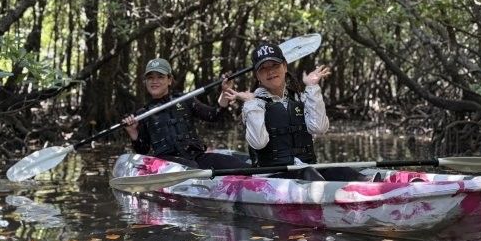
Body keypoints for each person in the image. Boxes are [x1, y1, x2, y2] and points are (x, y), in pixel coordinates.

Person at [222, 41, 376, 182]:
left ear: (285, 67)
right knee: (308, 174)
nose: (270, 72)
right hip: (271, 176)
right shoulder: (254, 104)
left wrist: (312, 87)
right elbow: (258, 143)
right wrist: (250, 103)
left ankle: (372, 187)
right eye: (263, 68)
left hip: (307, 167)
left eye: (275, 66)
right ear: (257, 76)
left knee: (341, 172)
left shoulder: (299, 97)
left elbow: (319, 128)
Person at [122, 57, 248, 170]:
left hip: (196, 156)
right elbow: (142, 150)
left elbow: (213, 115)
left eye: (160, 76)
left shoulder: (184, 100)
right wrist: (132, 132)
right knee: (192, 168)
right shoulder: (143, 113)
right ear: (146, 82)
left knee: (237, 165)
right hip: (167, 164)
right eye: (150, 77)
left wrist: (224, 93)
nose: (155, 81)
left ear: (169, 80)